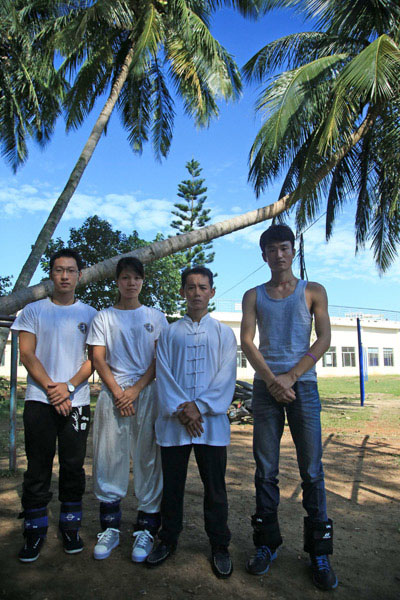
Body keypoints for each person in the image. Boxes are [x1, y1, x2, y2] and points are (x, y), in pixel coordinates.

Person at [240, 224, 338, 591]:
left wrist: (293, 376)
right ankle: (266, 544)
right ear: (263, 255)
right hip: (266, 390)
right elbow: (247, 341)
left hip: (304, 388)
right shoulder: (254, 295)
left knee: (312, 470)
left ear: (292, 251)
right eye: (271, 249)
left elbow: (325, 337)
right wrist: (271, 380)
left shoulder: (313, 291)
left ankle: (319, 551)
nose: (279, 254)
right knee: (265, 469)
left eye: (284, 247)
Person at [146, 266, 237, 579]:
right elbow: (163, 374)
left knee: (215, 489)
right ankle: (168, 539)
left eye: (203, 287)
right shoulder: (169, 333)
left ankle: (220, 544)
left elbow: (227, 375)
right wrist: (181, 410)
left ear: (212, 292)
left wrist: (199, 407)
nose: (197, 293)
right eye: (191, 287)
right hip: (175, 424)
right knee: (172, 487)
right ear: (182, 292)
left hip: (210, 426)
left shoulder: (225, 334)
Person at [11, 249, 96, 562]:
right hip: (39, 401)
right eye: (59, 270)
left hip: (78, 402)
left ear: (79, 275)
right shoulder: (32, 311)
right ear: (51, 274)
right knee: (37, 467)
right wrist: (53, 389)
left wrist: (69, 388)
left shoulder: (91, 314)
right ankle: (34, 532)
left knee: (73, 467)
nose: (64, 276)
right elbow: (27, 354)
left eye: (71, 270)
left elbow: (94, 360)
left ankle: (71, 527)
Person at [86, 257, 168, 563]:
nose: (130, 283)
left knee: (148, 457)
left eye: (135, 278)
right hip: (113, 394)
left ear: (142, 281)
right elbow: (98, 358)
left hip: (147, 394)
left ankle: (146, 528)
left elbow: (160, 359)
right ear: (117, 282)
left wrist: (135, 390)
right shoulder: (104, 317)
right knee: (110, 456)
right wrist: (119, 391)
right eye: (124, 278)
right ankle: (109, 528)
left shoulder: (156, 316)